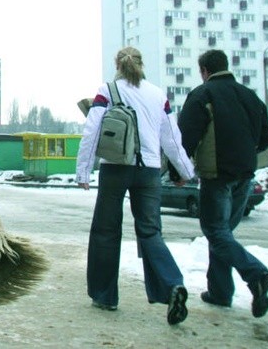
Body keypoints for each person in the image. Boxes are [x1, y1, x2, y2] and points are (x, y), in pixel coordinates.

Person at [76, 47, 195, 325]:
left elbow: (92, 130)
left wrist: (83, 171)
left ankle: (104, 296)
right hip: (149, 172)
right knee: (150, 231)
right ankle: (172, 284)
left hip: (115, 168)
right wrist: (186, 171)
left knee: (106, 231)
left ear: (117, 64)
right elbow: (172, 138)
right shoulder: (158, 94)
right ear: (142, 64)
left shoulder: (107, 90)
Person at [174, 49, 268, 318]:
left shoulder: (203, 95)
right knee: (223, 234)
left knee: (216, 231)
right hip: (245, 174)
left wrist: (177, 172)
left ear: (204, 71)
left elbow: (185, 138)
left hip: (217, 175)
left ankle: (257, 275)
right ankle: (220, 292)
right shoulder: (249, 97)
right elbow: (266, 138)